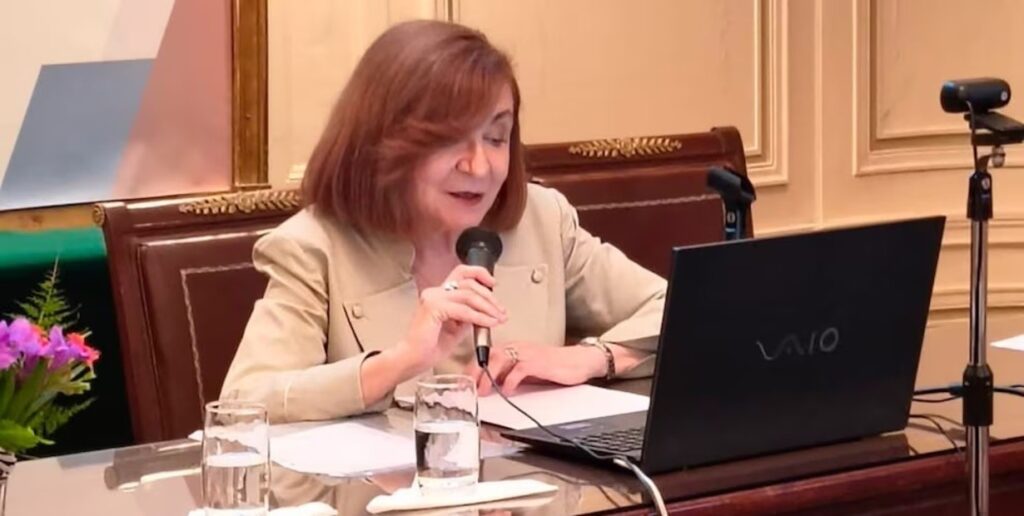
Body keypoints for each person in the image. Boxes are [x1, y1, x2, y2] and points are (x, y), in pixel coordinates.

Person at [220, 20, 666, 423]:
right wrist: (399, 362)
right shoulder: (313, 247)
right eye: (450, 140)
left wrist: (589, 358)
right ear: (383, 143)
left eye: (496, 138)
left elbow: (678, 310)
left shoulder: (543, 220)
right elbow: (244, 401)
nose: (480, 166)